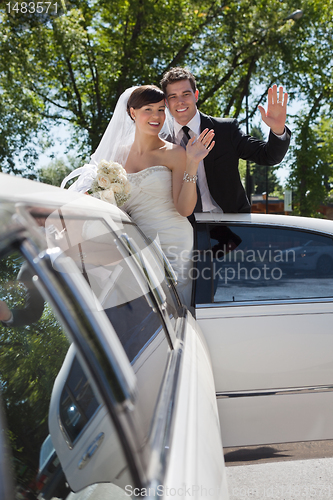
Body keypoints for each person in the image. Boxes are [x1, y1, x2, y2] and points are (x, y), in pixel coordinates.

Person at [61, 85, 215, 308]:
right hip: (138, 246)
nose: (156, 116)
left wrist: (192, 163)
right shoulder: (116, 158)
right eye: (148, 110)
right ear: (132, 112)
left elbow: (184, 210)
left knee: (174, 311)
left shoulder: (175, 153)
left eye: (161, 110)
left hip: (175, 242)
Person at [160, 67, 291, 215]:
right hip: (183, 226)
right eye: (173, 97)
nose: (180, 102)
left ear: (196, 95)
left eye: (186, 94)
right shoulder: (162, 141)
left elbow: (269, 156)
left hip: (230, 225)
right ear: (166, 102)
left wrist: (278, 130)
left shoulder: (225, 130)